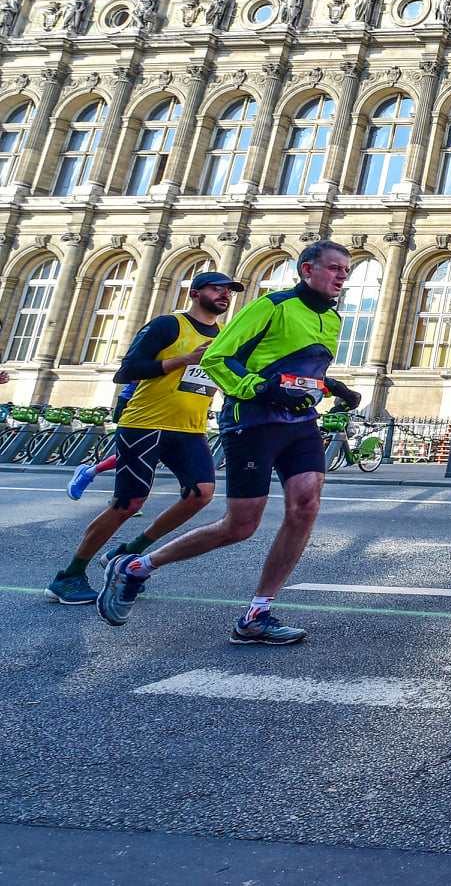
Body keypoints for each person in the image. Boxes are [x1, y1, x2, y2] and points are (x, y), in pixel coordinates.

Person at [98, 242, 360, 644]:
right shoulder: (272, 306)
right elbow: (218, 358)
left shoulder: (334, 320)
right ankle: (135, 568)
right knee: (240, 527)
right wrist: (259, 389)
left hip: (300, 423)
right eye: (335, 269)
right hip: (252, 422)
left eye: (346, 271)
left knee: (305, 505)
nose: (342, 276)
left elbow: (294, 374)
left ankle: (257, 614)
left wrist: (331, 386)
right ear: (307, 269)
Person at [45, 272, 238, 605]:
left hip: (190, 428)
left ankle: (126, 553)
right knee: (128, 505)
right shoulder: (168, 325)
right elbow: (128, 370)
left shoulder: (224, 335)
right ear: (195, 293)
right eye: (217, 288)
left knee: (200, 495)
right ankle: (69, 576)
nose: (225, 294)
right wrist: (186, 360)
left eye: (229, 291)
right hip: (145, 424)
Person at [65, 379, 138, 500]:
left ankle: (126, 496)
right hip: (134, 402)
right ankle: (90, 474)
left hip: (164, 408)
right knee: (132, 453)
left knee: (141, 454)